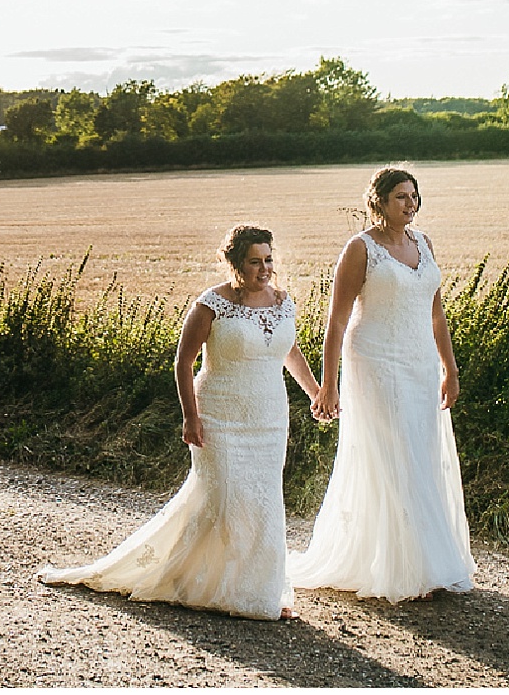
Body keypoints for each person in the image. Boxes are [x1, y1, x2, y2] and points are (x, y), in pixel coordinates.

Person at [39, 225, 323, 620]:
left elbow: (289, 351)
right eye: (255, 262)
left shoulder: (282, 302)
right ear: (235, 263)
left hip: (269, 418)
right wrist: (191, 417)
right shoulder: (211, 305)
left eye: (269, 260)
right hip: (219, 415)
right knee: (222, 499)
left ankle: (258, 592)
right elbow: (183, 363)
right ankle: (188, 578)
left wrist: (314, 391)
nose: (265, 269)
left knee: (262, 503)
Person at [289, 165, 477, 600]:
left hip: (420, 363)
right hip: (373, 361)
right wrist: (328, 385)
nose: (409, 204)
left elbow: (436, 314)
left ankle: (428, 560)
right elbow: (335, 322)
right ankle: (406, 569)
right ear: (378, 201)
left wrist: (450, 367)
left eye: (413, 196)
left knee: (422, 451)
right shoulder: (360, 249)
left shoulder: (423, 243)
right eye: (400, 197)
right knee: (396, 455)